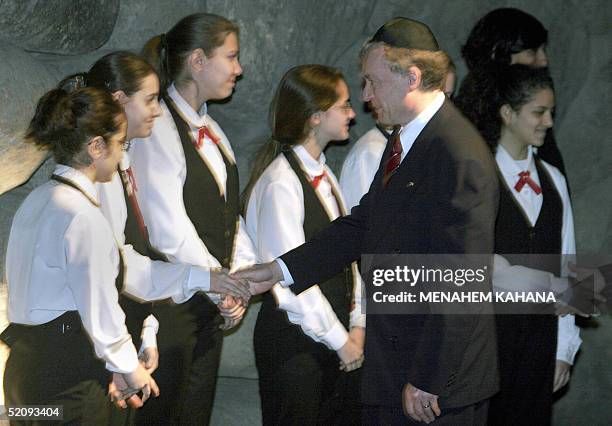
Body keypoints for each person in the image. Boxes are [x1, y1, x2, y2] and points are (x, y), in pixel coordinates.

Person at [236, 17, 500, 425]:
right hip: (399, 365)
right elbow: (364, 223)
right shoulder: (405, 138)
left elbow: (463, 277)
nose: (364, 96)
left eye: (372, 82)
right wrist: (280, 269)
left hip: (436, 382)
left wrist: (428, 378)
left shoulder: (456, 150)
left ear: (411, 78)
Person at [73, 51, 250, 422]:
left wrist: (149, 329)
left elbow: (132, 255)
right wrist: (208, 278)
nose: (158, 110)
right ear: (120, 101)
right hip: (92, 349)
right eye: (150, 100)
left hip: (129, 330)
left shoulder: (121, 164)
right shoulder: (92, 182)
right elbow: (113, 270)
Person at [1, 86, 158, 424]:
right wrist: (129, 368)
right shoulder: (83, 216)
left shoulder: (37, 199)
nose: (122, 155)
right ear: (96, 147)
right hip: (67, 382)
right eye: (120, 144)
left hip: (23, 376)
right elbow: (99, 308)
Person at [129, 13, 257, 425]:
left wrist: (241, 277)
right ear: (198, 60)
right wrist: (220, 284)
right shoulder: (158, 126)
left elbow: (229, 218)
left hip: (206, 302)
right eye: (232, 57)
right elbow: (168, 229)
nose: (239, 69)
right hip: (169, 306)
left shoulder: (214, 131)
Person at [242, 64, 365, 424]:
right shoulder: (281, 182)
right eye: (343, 106)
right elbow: (289, 279)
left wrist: (357, 321)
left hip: (331, 335)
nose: (353, 114)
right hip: (294, 343)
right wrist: (340, 340)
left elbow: (347, 256)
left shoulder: (325, 174)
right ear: (315, 117)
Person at [463, 64, 581, 425]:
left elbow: (568, 266)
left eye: (551, 113)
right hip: (486, 345)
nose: (548, 122)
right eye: (538, 112)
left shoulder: (554, 179)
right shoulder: (476, 176)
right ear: (508, 113)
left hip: (538, 348)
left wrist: (563, 350)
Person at [455, 7, 567, 175]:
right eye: (532, 52)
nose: (543, 60)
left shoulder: (539, 103)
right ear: (497, 53)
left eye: (543, 49)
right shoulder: (464, 117)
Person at [340, 59, 456, 211]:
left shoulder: (433, 146)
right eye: (437, 94)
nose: (443, 104)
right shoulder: (371, 152)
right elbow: (367, 221)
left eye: (447, 96)